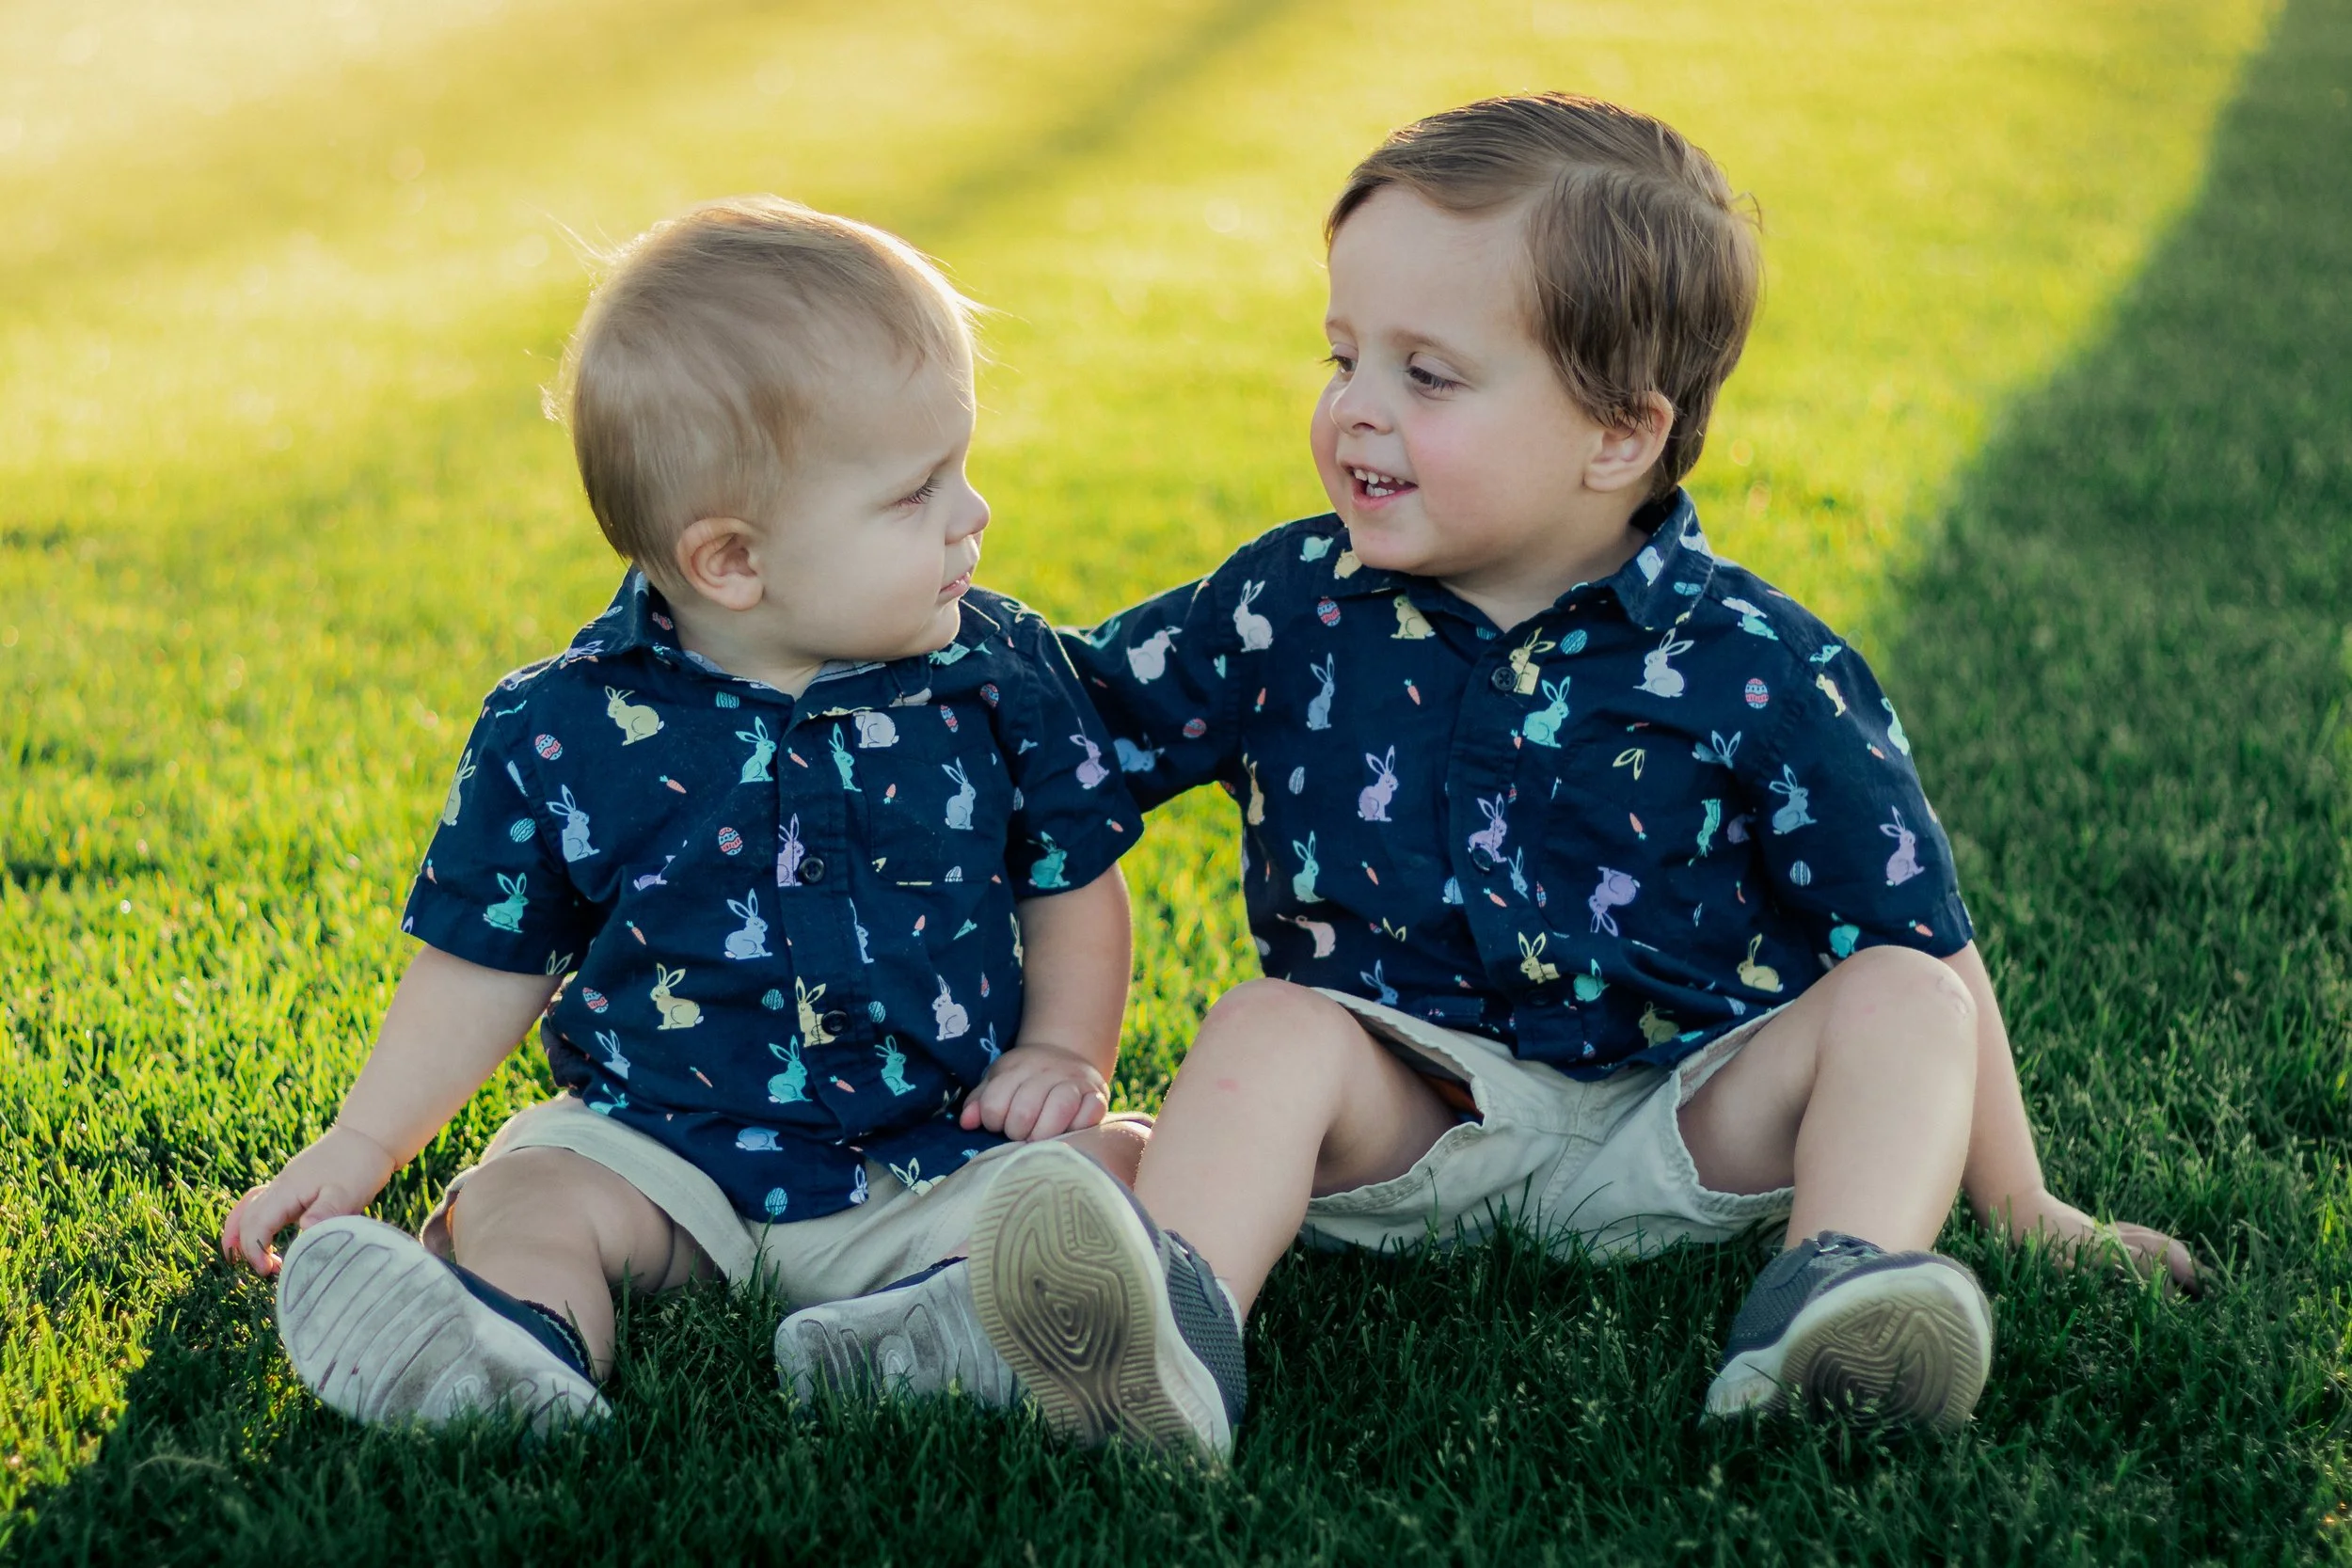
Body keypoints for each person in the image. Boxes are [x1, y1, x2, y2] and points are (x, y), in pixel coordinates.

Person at [953, 92, 2198, 1458]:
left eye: (1426, 377)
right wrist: (894, 624)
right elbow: (1074, 731)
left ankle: (1837, 1285)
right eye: (1345, 356)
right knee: (1264, 1026)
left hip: (1679, 1119)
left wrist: (2023, 1203)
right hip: (1405, 1118)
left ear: (1619, 434)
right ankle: (1170, 1320)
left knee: (1900, 995)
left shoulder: (1758, 666)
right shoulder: (1293, 604)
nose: (1354, 413)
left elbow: (1921, 936)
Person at [219, 196, 1172, 1432]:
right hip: (659, 1155)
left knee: (1129, 1166)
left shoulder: (993, 672)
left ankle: (941, 1324)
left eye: (963, 467)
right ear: (731, 560)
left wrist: (1066, 1054)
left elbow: (1072, 877)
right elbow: (481, 963)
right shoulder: (562, 730)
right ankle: (512, 1352)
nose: (973, 513)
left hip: (934, 1148)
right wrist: (362, 1143)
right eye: (916, 491)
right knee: (526, 1197)